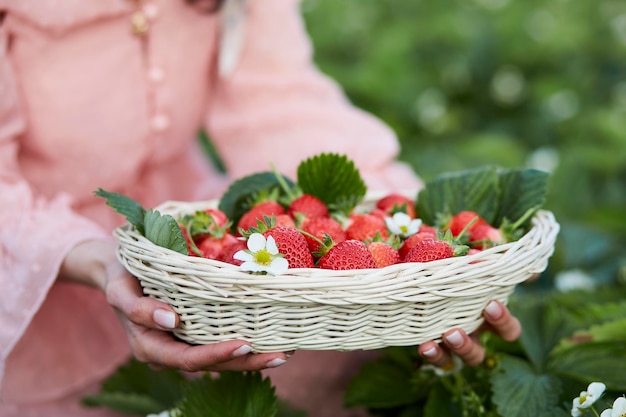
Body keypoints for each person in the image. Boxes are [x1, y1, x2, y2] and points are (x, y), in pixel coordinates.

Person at [0, 1, 523, 416]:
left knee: (317, 383)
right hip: (34, 282)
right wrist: (104, 260)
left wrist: (426, 258)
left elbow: (276, 99)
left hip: (204, 274)